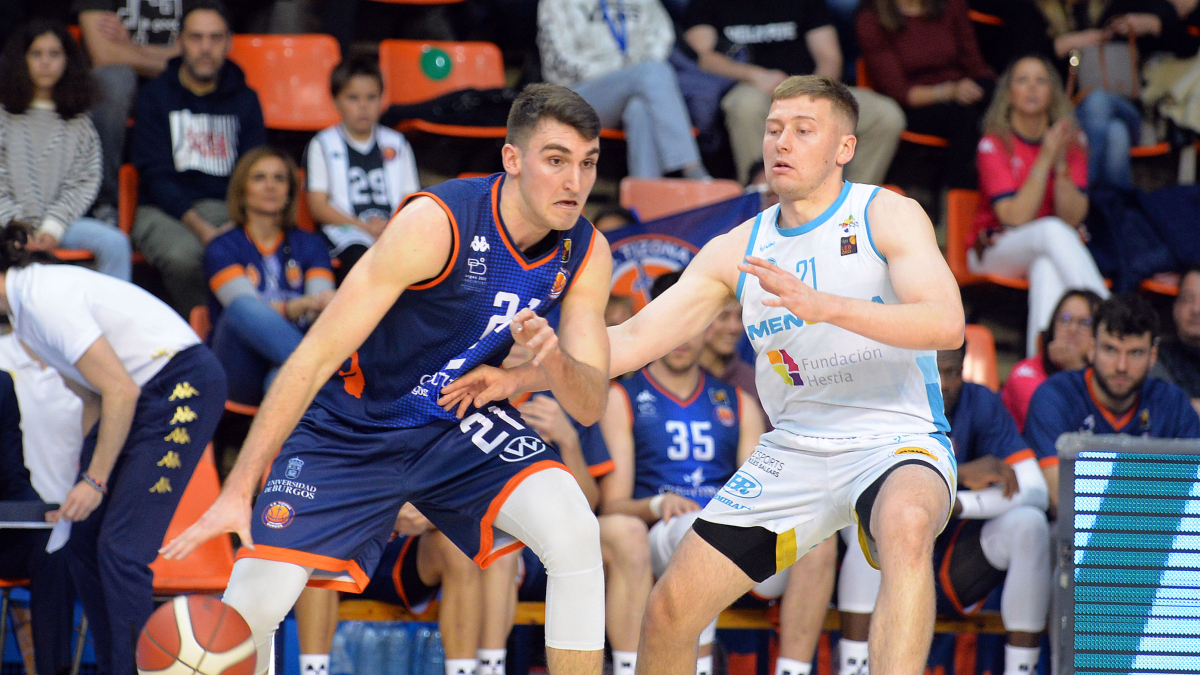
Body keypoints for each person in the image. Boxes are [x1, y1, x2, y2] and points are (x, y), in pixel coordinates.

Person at [443, 75, 966, 675]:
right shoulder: (736, 249)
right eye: (773, 130)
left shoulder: (887, 214)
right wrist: (523, 378)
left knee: (905, 528)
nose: (782, 143)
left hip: (893, 439)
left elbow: (946, 324)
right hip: (795, 450)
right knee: (669, 611)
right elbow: (632, 340)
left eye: (803, 130)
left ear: (843, 148)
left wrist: (826, 308)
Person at [161, 84, 615, 675]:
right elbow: (312, 357)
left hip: (455, 421)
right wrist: (237, 488)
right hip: (353, 425)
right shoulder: (438, 222)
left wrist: (543, 366)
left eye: (587, 164)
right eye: (556, 160)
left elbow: (588, 402)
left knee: (575, 528)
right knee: (250, 607)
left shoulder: (586, 250)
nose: (575, 182)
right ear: (512, 159)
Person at [0, 220, 225, 675]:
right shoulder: (24, 318)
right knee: (82, 540)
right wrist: (79, 488)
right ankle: (114, 666)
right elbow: (92, 398)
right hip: (142, 397)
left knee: (122, 549)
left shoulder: (43, 298)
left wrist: (96, 479)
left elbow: (119, 390)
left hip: (181, 386)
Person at [838, 345, 1051, 675]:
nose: (941, 383)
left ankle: (1021, 669)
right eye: (931, 370)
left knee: (1031, 524)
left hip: (954, 563)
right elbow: (854, 487)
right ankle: (854, 667)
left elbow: (1035, 488)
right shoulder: (883, 399)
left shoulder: (978, 402)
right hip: (883, 567)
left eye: (951, 371)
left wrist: (961, 503)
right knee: (874, 518)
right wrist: (959, 477)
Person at [598, 271, 769, 675]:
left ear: (708, 329)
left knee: (818, 547)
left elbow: (761, 492)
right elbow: (613, 504)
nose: (682, 340)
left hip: (727, 530)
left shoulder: (739, 401)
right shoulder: (623, 396)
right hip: (664, 531)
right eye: (672, 328)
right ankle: (701, 666)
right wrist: (658, 503)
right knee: (698, 532)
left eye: (692, 327)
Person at [130, 0, 266, 316]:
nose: (206, 48)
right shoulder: (155, 96)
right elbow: (155, 176)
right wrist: (204, 229)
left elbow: (252, 167)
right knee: (184, 256)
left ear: (229, 42)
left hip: (229, 208)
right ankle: (205, 334)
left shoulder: (246, 99)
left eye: (215, 38)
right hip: (164, 210)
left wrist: (238, 221)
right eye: (196, 38)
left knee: (264, 244)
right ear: (179, 42)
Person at [971, 55, 1109, 357]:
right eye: (1022, 80)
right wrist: (1044, 157)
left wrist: (1059, 163)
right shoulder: (994, 143)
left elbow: (1074, 216)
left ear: (1053, 93)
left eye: (1041, 80)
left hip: (1047, 247)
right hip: (992, 249)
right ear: (1009, 93)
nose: (1032, 87)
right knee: (1050, 231)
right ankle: (1110, 320)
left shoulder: (1072, 141)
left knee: (1046, 267)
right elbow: (1015, 218)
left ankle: (1043, 365)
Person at [682, 0, 906, 184]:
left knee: (884, 115)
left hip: (810, 86)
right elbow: (702, 56)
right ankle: (764, 202)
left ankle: (848, 211)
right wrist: (754, 75)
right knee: (744, 106)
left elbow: (829, 56)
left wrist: (814, 90)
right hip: (752, 87)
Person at [292, 503, 520, 675]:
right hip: (347, 542)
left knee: (461, 546)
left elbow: (478, 497)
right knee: (313, 542)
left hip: (408, 552)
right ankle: (313, 670)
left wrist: (432, 513)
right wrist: (382, 509)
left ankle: (477, 669)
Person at [1026, 294, 1200, 516]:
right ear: (1091, 348)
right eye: (1110, 349)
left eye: (1135, 353)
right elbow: (1060, 496)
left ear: (1153, 355)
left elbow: (1192, 495)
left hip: (1157, 537)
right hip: (1076, 535)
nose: (1121, 366)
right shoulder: (1055, 396)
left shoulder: (1172, 403)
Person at [0, 20, 132, 279]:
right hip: (5, 225)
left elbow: (84, 181)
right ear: (21, 60)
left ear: (68, 61)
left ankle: (110, 317)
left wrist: (52, 228)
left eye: (54, 54)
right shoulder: (4, 118)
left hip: (61, 225)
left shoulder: (79, 123)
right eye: (36, 54)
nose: (45, 62)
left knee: (115, 243)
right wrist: (17, 227)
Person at [204, 148, 335, 406]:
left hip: (285, 363)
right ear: (242, 191)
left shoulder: (311, 245)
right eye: (259, 178)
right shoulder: (222, 246)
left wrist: (311, 306)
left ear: (289, 193)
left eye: (279, 179)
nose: (270, 186)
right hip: (240, 367)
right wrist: (295, 306)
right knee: (242, 307)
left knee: (283, 377)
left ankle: (306, 371)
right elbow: (246, 312)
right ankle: (322, 373)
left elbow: (322, 305)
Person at [1033, 0, 1199, 188]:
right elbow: (1021, 59)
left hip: (1129, 108)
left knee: (1097, 101)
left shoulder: (1117, 8)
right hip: (1074, 109)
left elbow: (1189, 47)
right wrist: (1067, 43)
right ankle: (1114, 208)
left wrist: (1154, 25)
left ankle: (1079, 192)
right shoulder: (1041, 13)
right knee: (1115, 134)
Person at [538, 0, 710, 179]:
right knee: (652, 72)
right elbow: (558, 63)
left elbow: (662, 38)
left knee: (640, 108)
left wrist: (632, 73)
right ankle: (691, 167)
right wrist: (622, 70)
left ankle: (644, 195)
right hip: (576, 96)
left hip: (637, 83)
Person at [856, 0, 995, 189]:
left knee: (1002, 103)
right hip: (913, 105)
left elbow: (976, 65)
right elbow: (899, 92)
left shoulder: (951, 5)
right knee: (965, 119)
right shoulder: (871, 17)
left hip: (962, 91)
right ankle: (962, 203)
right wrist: (949, 92)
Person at [305, 53, 420, 279]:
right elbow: (317, 206)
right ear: (336, 100)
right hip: (344, 231)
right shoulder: (322, 144)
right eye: (353, 98)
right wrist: (363, 226)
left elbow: (412, 199)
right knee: (360, 256)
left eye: (371, 97)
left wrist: (390, 225)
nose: (364, 106)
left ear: (382, 99)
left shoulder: (398, 143)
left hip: (393, 229)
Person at [0, 354, 79, 675]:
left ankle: (54, 671)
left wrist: (39, 513)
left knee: (53, 548)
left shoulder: (2, 385)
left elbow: (12, 474)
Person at [73, 0, 183, 219]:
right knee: (113, 80)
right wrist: (168, 57)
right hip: (114, 94)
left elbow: (198, 53)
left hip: (175, 86)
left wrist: (129, 46)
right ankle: (102, 203)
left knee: (203, 79)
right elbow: (104, 56)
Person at [1003, 289, 1103, 431]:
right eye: (1065, 319)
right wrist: (1074, 368)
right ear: (1052, 326)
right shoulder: (1024, 374)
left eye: (1085, 322)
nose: (1072, 329)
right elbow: (1054, 426)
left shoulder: (1108, 374)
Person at [1149, 266, 1200, 416]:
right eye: (1188, 299)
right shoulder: (1156, 356)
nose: (1196, 309)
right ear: (1175, 307)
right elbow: (1167, 410)